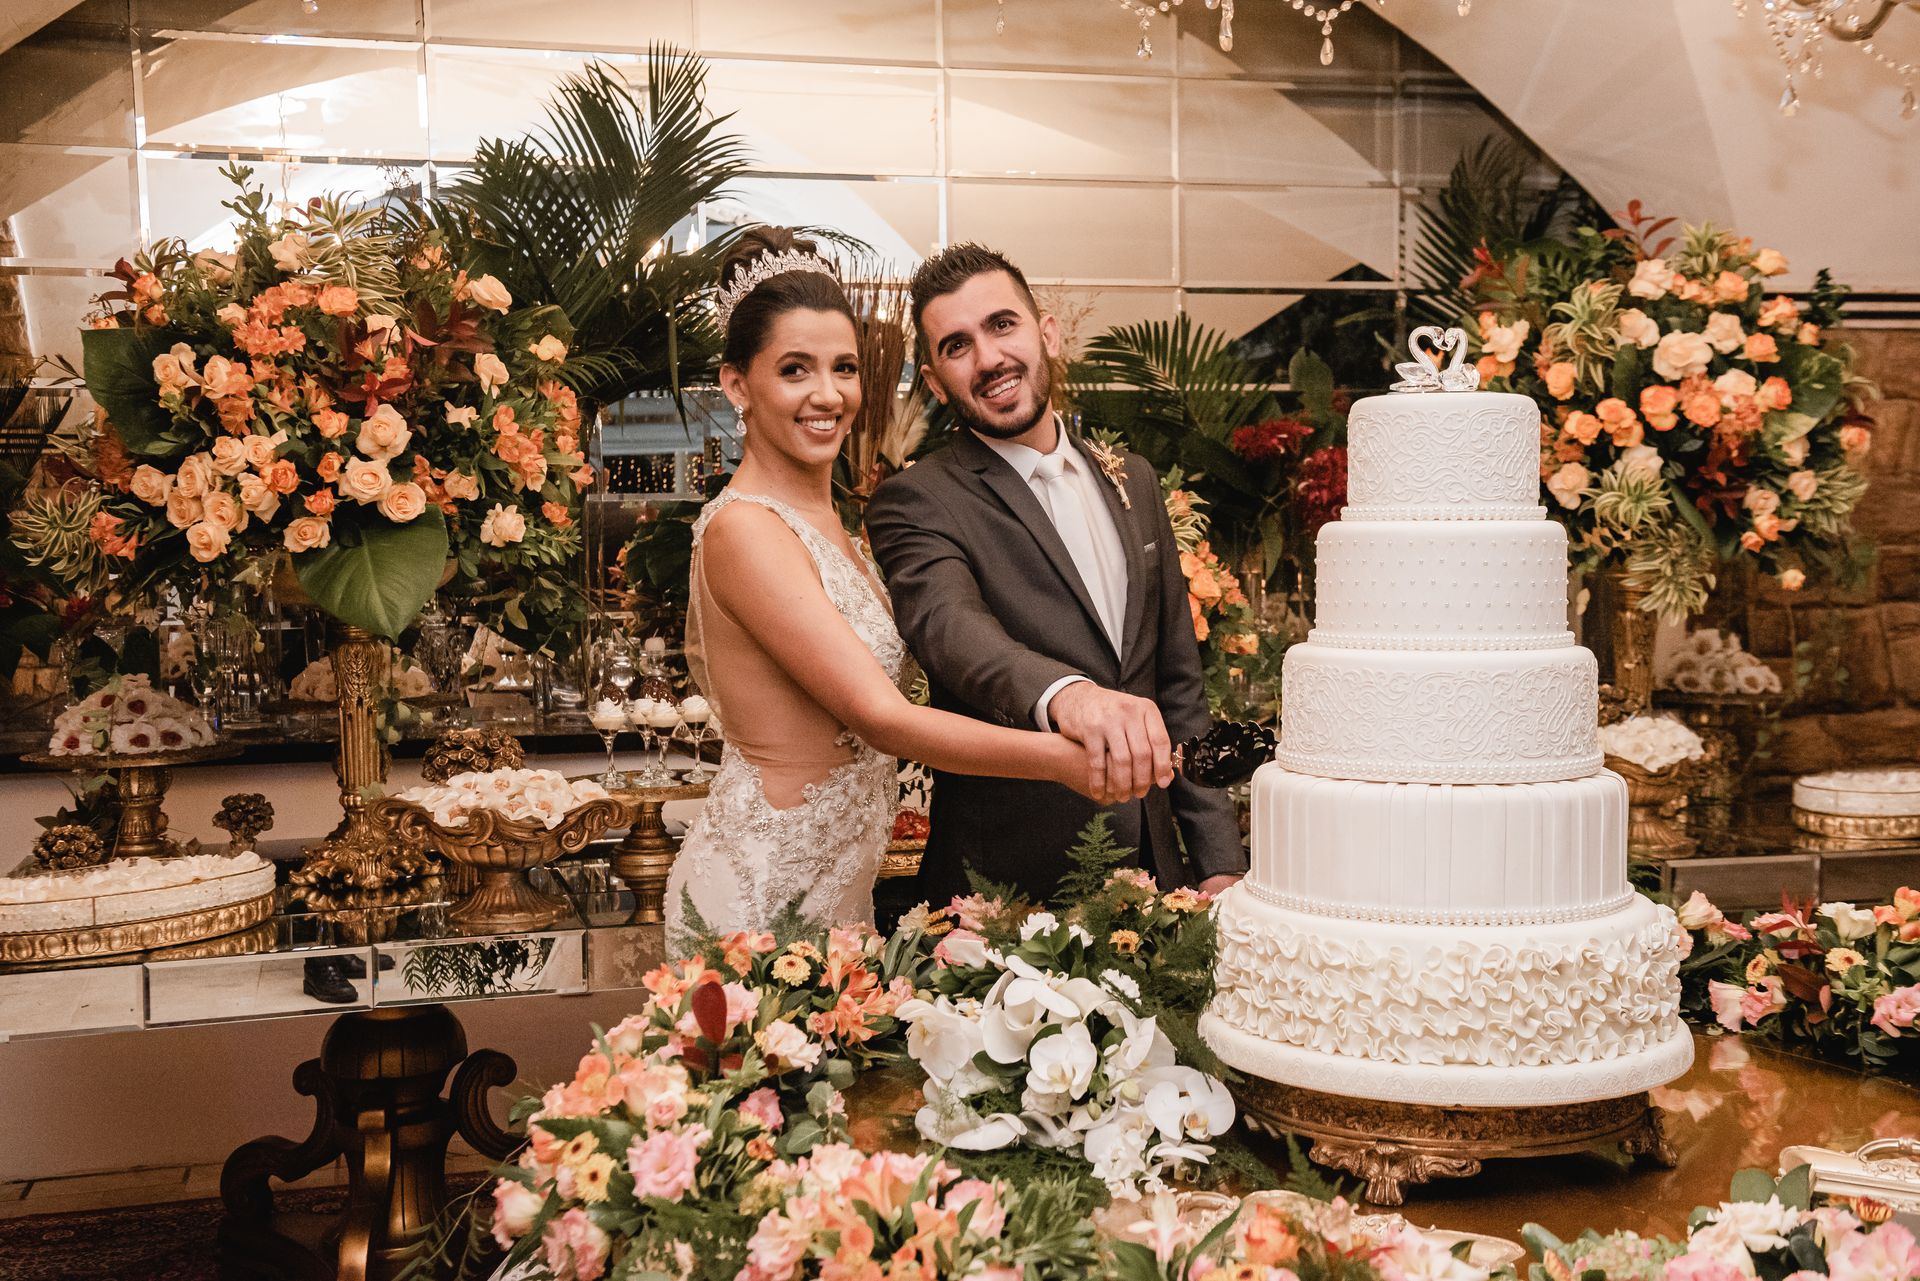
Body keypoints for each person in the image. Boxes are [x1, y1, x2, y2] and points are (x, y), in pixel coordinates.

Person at [663, 229, 1144, 948]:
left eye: (845, 368)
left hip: (838, 895)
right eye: (795, 370)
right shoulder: (746, 530)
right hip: (759, 896)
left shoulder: (835, 526)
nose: (828, 395)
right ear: (738, 386)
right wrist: (1071, 760)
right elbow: (881, 717)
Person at [865, 243, 1246, 903]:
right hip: (1007, 893)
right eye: (957, 346)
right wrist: (1069, 696)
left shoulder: (1134, 480)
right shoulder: (917, 499)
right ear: (935, 381)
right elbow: (953, 630)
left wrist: (1217, 862)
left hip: (1157, 877)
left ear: (1047, 333)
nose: (989, 358)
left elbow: (1178, 684)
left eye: (1002, 325)